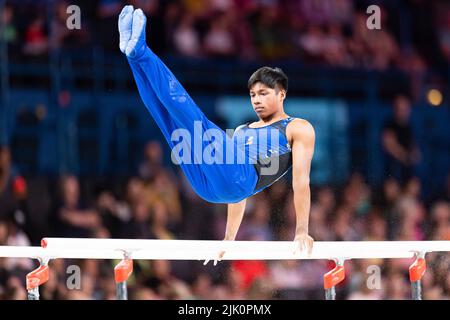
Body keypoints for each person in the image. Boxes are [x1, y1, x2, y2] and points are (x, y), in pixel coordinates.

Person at [118, 6, 315, 258]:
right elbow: (237, 193)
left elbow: (301, 181)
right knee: (167, 118)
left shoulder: (298, 127)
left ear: (281, 95)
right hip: (213, 186)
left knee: (190, 115)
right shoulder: (245, 129)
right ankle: (133, 55)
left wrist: (301, 230)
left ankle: (141, 51)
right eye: (253, 94)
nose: (256, 100)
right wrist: (229, 239)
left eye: (263, 94)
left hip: (233, 182)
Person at [381, 95, 420, 184]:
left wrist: (414, 155)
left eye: (405, 108)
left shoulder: (410, 127)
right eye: (400, 108)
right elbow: (389, 145)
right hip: (392, 171)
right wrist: (405, 156)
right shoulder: (389, 125)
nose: (403, 111)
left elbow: (415, 151)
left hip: (408, 172)